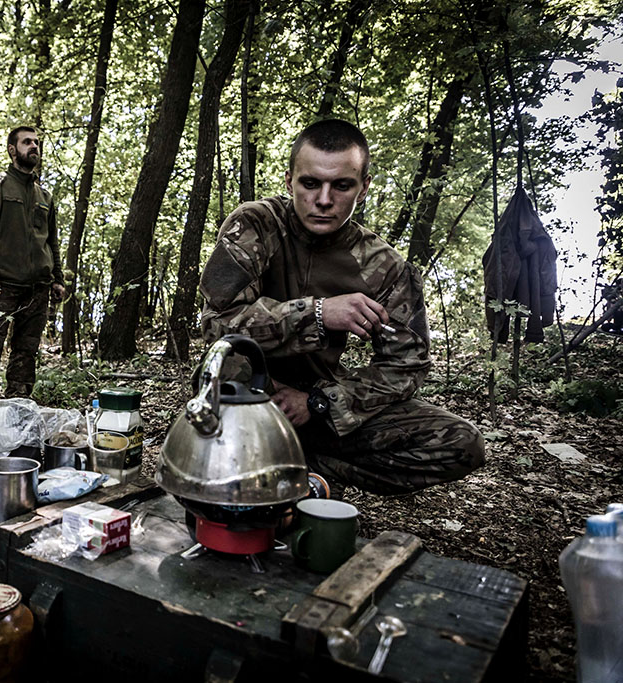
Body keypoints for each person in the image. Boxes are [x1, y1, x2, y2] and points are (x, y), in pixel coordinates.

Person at [199, 119, 484, 495]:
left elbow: (407, 364)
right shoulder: (254, 225)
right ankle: (244, 459)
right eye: (310, 183)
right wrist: (317, 314)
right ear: (290, 182)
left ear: (363, 188)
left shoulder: (385, 266)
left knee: (461, 443)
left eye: (341, 185)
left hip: (324, 410)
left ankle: (314, 471)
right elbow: (217, 325)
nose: (323, 200)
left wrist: (320, 402)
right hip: (248, 394)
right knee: (228, 366)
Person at [0, 126, 65, 405]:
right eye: (27, 142)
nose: (34, 146)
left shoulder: (45, 196)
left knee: (26, 351)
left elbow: (51, 241)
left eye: (37, 142)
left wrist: (57, 278)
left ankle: (17, 405)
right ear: (12, 149)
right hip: (2, 284)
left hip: (38, 288)